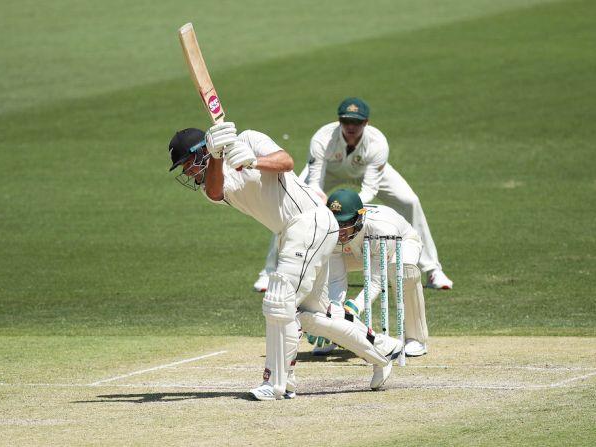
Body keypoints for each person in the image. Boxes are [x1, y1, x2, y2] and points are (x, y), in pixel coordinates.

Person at [168, 123, 403, 400]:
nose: (187, 172)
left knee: (280, 301)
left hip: (309, 220)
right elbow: (217, 191)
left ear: (199, 154)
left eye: (187, 165)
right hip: (292, 233)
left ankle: (278, 383)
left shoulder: (250, 139)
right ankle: (382, 351)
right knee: (315, 315)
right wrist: (219, 156)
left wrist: (254, 161)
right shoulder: (213, 182)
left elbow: (286, 162)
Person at [253, 97, 452, 292]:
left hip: (365, 171)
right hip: (330, 171)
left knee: (410, 201)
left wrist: (348, 207)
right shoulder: (322, 138)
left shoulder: (377, 142)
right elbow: (315, 182)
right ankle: (270, 272)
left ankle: (433, 270)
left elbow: (370, 190)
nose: (351, 126)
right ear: (339, 121)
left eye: (356, 122)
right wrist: (325, 203)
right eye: (346, 121)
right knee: (291, 206)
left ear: (366, 122)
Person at [308, 189, 429, 357]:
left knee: (403, 271)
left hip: (399, 242)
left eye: (345, 223)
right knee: (319, 267)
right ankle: (335, 336)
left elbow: (377, 280)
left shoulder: (383, 229)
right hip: (355, 249)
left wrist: (354, 307)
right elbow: (335, 278)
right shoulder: (330, 231)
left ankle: (416, 339)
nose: (340, 229)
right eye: (336, 223)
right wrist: (333, 317)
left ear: (358, 218)